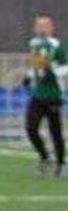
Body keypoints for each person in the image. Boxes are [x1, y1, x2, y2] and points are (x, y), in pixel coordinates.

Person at [23, 14, 67, 178]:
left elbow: (65, 68)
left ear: (51, 28)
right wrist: (28, 76)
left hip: (53, 95)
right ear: (35, 28)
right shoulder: (34, 44)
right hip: (37, 94)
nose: (42, 29)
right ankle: (45, 157)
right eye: (39, 26)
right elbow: (35, 66)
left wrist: (52, 71)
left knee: (55, 131)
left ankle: (61, 164)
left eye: (45, 26)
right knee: (31, 128)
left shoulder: (57, 46)